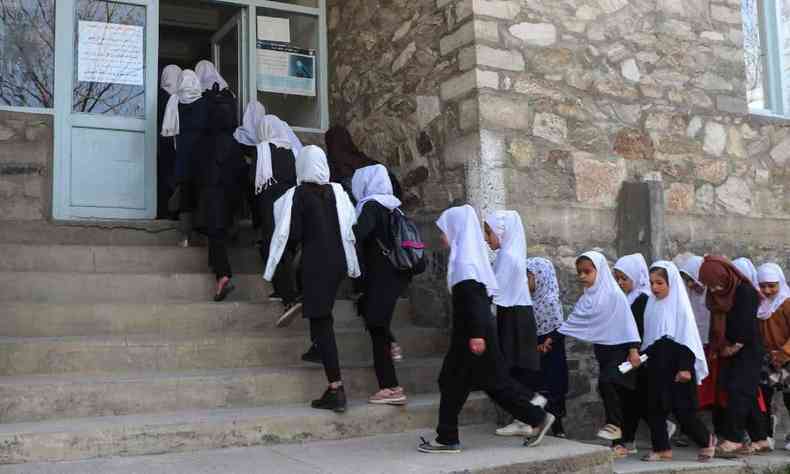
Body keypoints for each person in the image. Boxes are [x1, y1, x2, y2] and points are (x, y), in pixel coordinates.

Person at [418, 205, 554, 454]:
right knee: (479, 383)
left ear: (457, 229)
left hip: (472, 336)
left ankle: (448, 438)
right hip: (473, 334)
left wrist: (477, 335)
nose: (441, 236)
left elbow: (475, 301)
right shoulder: (468, 259)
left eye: (445, 230)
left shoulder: (465, 263)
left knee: (469, 382)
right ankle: (535, 416)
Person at [264, 145, 360, 413]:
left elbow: (292, 236)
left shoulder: (300, 195)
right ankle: (317, 345)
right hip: (338, 263)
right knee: (321, 314)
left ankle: (336, 389)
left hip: (316, 266)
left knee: (322, 322)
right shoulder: (337, 192)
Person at [559, 251, 641, 444]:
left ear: (600, 271)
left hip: (621, 350)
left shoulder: (614, 295)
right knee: (615, 394)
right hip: (603, 351)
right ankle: (620, 440)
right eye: (579, 272)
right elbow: (572, 322)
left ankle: (614, 426)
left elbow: (628, 324)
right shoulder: (588, 298)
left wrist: (633, 349)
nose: (582, 277)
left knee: (606, 382)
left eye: (587, 272)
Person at [638, 261, 716, 462]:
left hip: (678, 367)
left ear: (671, 283)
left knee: (684, 412)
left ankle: (707, 441)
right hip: (657, 365)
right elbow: (651, 339)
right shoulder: (652, 306)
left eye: (660, 283)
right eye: (652, 283)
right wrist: (642, 357)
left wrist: (685, 368)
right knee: (654, 408)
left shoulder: (680, 307)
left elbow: (687, 339)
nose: (654, 287)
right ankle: (662, 448)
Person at [350, 164, 410, 405]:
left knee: (376, 327)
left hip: (379, 277)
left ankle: (390, 387)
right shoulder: (395, 207)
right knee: (376, 323)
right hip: (396, 276)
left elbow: (359, 236)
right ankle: (391, 343)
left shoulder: (371, 206)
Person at [698, 256, 770, 457]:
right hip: (727, 350)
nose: (714, 290)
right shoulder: (716, 296)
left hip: (748, 350)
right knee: (747, 394)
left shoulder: (745, 292)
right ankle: (760, 438)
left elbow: (747, 324)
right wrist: (720, 346)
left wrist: (735, 346)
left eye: (717, 284)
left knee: (738, 391)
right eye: (709, 286)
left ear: (726, 276)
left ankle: (734, 439)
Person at [234, 102, 300, 307]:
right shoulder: (289, 151)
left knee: (273, 245)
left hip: (269, 204)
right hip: (288, 203)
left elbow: (256, 181)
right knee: (285, 245)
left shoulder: (262, 149)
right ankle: (287, 290)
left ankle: (288, 294)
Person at [482, 211, 539, 437]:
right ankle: (527, 414)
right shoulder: (510, 254)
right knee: (515, 366)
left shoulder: (508, 257)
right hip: (516, 313)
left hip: (515, 315)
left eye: (489, 232)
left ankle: (527, 414)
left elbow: (492, 290)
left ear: (502, 231)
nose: (487, 238)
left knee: (513, 367)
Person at [611, 253, 652, 457]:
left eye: (624, 278)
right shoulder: (626, 298)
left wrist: (632, 351)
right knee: (629, 399)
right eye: (617, 278)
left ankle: (628, 440)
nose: (620, 282)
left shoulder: (642, 300)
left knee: (630, 400)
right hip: (625, 355)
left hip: (636, 357)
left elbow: (639, 330)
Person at [161, 69, 207, 248]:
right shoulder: (204, 103)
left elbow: (170, 129)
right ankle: (201, 231)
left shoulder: (175, 101)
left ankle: (185, 236)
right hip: (201, 155)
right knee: (201, 193)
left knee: (186, 195)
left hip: (183, 153)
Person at [526, 257, 569, 438]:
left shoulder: (550, 301)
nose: (525, 282)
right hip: (535, 352)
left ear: (541, 277)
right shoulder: (529, 301)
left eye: (528, 277)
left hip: (551, 354)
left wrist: (547, 343)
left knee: (554, 389)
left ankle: (558, 428)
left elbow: (559, 328)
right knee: (536, 387)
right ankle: (536, 424)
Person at [756, 263, 790, 449]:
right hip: (766, 358)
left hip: (786, 358)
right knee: (764, 399)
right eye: (763, 286)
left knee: (789, 398)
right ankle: (766, 435)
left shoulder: (786, 302)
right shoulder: (760, 304)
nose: (767, 290)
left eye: (772, 285)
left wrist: (784, 353)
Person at [157, 64, 181, 220]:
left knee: (161, 176)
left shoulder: (158, 96)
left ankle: (161, 211)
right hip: (173, 144)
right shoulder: (179, 98)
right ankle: (171, 212)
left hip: (159, 143)